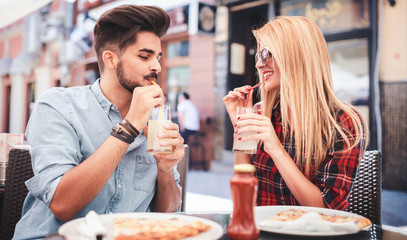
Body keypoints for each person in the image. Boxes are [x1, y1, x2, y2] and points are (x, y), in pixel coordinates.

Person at [13, 5, 185, 239]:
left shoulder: (155, 121)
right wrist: (130, 125)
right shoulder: (58, 106)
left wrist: (165, 171)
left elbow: (167, 213)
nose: (156, 66)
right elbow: (62, 204)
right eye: (145, 56)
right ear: (110, 59)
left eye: (158, 57)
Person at [223, 16, 368, 210]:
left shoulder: (342, 122)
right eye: (259, 56)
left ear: (296, 56)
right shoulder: (260, 113)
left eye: (266, 54)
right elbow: (243, 204)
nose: (258, 65)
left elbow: (327, 210)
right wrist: (241, 130)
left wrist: (275, 148)